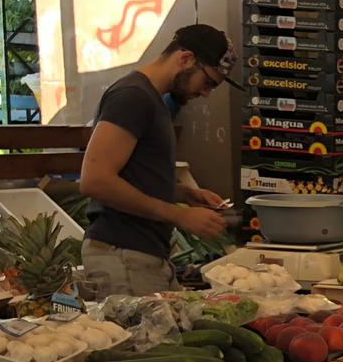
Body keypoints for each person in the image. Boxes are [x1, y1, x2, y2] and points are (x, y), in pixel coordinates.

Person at [79, 23, 233, 297]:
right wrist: (180, 215)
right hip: (123, 255)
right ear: (185, 59)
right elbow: (95, 181)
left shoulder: (152, 100)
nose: (206, 93)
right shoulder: (132, 97)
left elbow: (134, 177)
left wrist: (184, 194)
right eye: (208, 82)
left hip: (143, 256)